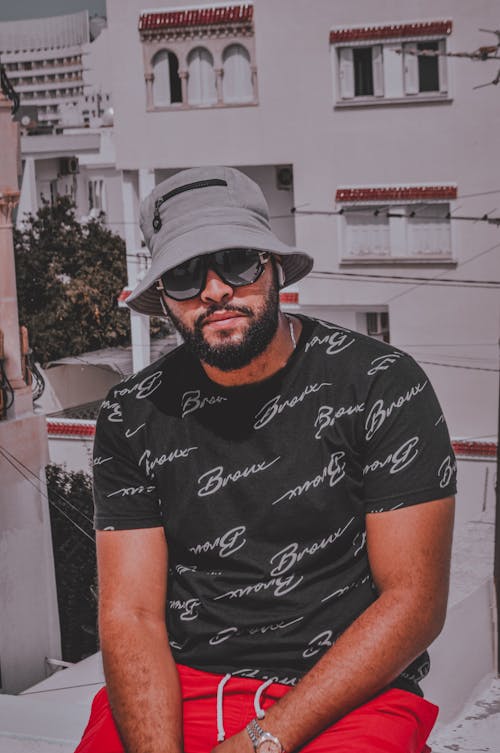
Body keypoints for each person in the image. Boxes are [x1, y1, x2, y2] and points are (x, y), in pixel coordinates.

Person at [76, 166, 456, 753]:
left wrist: (263, 740)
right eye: (183, 273)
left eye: (236, 261)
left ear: (273, 265)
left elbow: (414, 602)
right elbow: (131, 614)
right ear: (165, 297)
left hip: (348, 690)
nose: (215, 289)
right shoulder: (132, 413)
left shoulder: (379, 382)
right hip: (186, 686)